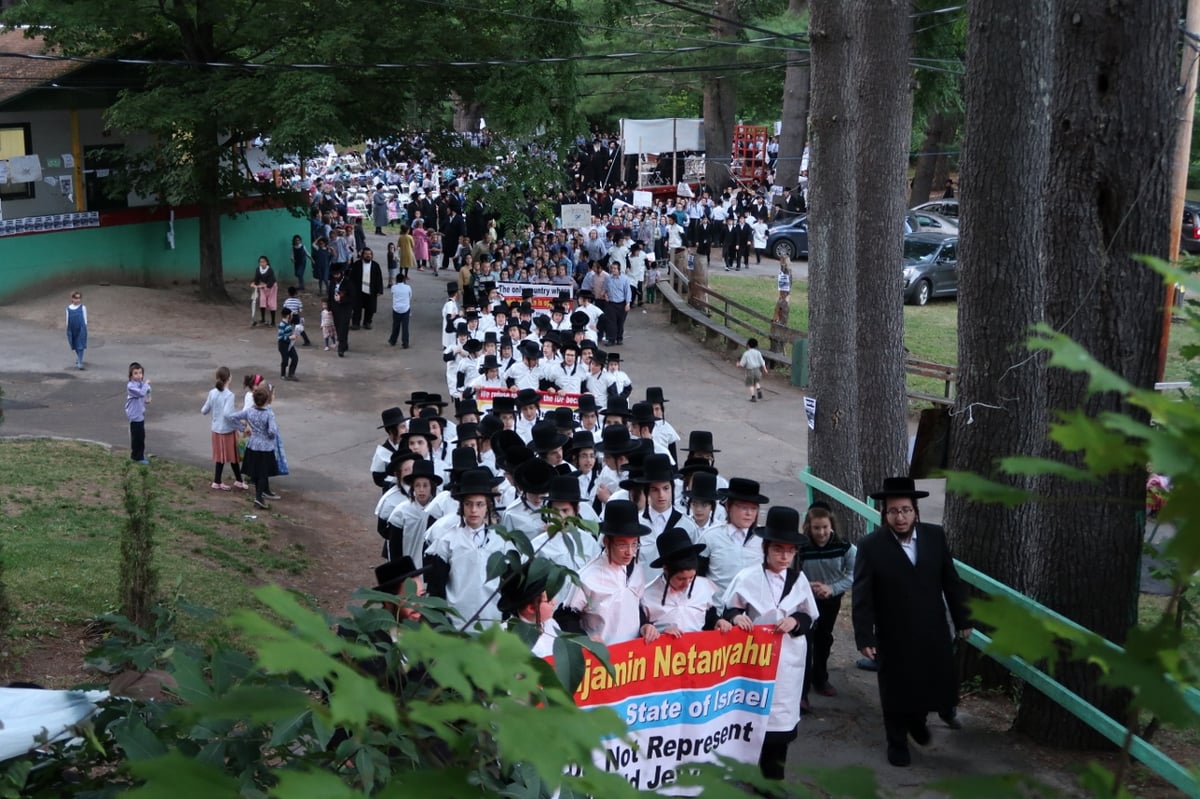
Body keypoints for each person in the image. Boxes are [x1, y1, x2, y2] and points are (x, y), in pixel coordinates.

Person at [851, 476, 972, 768]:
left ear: (915, 510)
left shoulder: (934, 537)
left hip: (932, 628)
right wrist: (865, 637)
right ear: (885, 514)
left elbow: (951, 582)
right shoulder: (871, 546)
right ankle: (897, 742)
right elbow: (862, 595)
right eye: (893, 511)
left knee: (930, 682)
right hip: (893, 633)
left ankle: (917, 722)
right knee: (895, 689)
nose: (900, 517)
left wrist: (963, 618)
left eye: (905, 510)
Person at [721, 506, 818, 782]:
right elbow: (729, 609)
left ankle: (773, 782)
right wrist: (737, 617)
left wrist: (796, 621)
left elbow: (810, 616)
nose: (784, 556)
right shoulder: (748, 578)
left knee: (780, 727)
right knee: (751, 723)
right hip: (754, 664)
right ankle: (745, 773)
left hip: (787, 665)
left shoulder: (799, 580)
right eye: (778, 550)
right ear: (766, 548)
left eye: (789, 551)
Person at [558, 499, 655, 644]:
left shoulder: (636, 568)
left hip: (633, 656)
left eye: (634, 544)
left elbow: (633, 603)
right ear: (606, 542)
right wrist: (586, 639)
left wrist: (645, 625)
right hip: (603, 655)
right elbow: (564, 616)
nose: (629, 552)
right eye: (622, 545)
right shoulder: (588, 577)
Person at [799, 503, 855, 709]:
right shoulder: (801, 547)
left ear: (831, 525)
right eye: (816, 528)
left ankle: (820, 678)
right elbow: (792, 573)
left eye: (825, 527)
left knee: (824, 638)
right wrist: (807, 587)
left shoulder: (844, 546)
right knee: (805, 642)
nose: (821, 532)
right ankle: (801, 692)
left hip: (830, 599)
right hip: (805, 601)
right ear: (808, 527)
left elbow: (853, 573)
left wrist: (832, 588)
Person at [641, 528, 731, 641]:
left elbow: (708, 614)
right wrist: (661, 633)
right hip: (663, 653)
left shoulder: (703, 586)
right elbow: (642, 629)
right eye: (681, 579)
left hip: (697, 652)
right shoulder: (648, 595)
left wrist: (717, 621)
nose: (687, 584)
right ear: (666, 569)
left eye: (691, 578)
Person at [227, 384, 281, 510]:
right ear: (266, 400)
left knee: (256, 473)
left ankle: (259, 496)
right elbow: (273, 431)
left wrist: (243, 428)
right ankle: (258, 497)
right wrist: (269, 436)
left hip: (252, 446)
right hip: (265, 448)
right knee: (263, 473)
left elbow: (232, 417)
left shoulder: (249, 411)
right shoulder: (269, 414)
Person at [200, 366, 247, 491]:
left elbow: (204, 410)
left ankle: (226, 480)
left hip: (216, 429)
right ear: (229, 378)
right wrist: (240, 426)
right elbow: (228, 414)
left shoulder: (212, 393)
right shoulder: (229, 395)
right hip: (227, 430)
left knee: (223, 456)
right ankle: (229, 481)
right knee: (232, 456)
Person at [349, 248, 384, 330]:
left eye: (369, 254)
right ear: (362, 255)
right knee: (357, 308)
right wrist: (350, 289)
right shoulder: (357, 265)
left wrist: (379, 290)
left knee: (370, 308)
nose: (368, 255)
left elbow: (379, 278)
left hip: (371, 291)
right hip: (358, 291)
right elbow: (351, 278)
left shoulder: (375, 265)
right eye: (366, 254)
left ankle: (367, 322)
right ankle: (356, 323)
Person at [125, 361, 151, 465]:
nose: (139, 375)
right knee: (137, 437)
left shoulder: (140, 384)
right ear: (131, 375)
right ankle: (136, 456)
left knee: (141, 436)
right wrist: (146, 385)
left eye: (140, 373)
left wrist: (148, 398)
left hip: (140, 413)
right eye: (135, 373)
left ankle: (139, 454)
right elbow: (141, 393)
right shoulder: (131, 386)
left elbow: (148, 390)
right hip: (134, 415)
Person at [328, 263, 353, 357]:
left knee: (343, 327)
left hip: (345, 309)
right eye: (334, 274)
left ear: (341, 273)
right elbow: (330, 295)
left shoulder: (348, 282)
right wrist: (329, 307)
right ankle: (344, 343)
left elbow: (352, 297)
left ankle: (341, 348)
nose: (336, 276)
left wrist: (342, 299)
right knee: (339, 327)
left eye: (337, 274)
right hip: (335, 309)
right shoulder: (333, 282)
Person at [387, 272, 413, 349]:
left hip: (396, 308)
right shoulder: (408, 287)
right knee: (405, 326)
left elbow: (392, 294)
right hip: (405, 308)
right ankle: (405, 342)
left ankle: (393, 340)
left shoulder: (393, 287)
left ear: (396, 280)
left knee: (396, 325)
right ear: (404, 279)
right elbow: (410, 296)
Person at [251, 256, 278, 328]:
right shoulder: (258, 269)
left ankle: (273, 322)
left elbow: (271, 282)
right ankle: (263, 319)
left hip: (272, 287)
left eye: (263, 262)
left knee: (271, 303)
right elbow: (256, 278)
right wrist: (254, 283)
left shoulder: (270, 270)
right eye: (260, 262)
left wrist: (263, 286)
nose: (262, 263)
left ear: (267, 262)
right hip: (262, 287)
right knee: (262, 301)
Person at [738, 337, 767, 402]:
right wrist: (765, 369)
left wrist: (738, 364)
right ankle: (758, 389)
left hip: (750, 371)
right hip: (757, 370)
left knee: (750, 384)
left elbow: (742, 364)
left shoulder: (746, 353)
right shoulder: (758, 353)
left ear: (748, 345)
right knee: (756, 382)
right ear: (756, 345)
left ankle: (753, 397)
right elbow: (762, 361)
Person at [65, 290, 88, 370]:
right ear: (72, 298)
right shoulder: (68, 308)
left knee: (80, 345)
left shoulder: (83, 307)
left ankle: (80, 362)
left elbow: (85, 319)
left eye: (79, 298)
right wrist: (68, 329)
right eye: (76, 298)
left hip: (81, 328)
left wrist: (84, 328)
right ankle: (78, 357)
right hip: (71, 328)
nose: (78, 300)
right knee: (74, 345)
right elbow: (67, 319)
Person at [277, 309, 300, 381]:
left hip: (289, 344)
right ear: (288, 316)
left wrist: (294, 335)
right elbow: (280, 337)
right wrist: (290, 337)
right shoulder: (282, 324)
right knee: (285, 360)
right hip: (283, 345)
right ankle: (283, 374)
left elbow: (289, 333)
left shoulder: (289, 323)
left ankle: (291, 374)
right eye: (291, 314)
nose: (292, 316)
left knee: (295, 358)